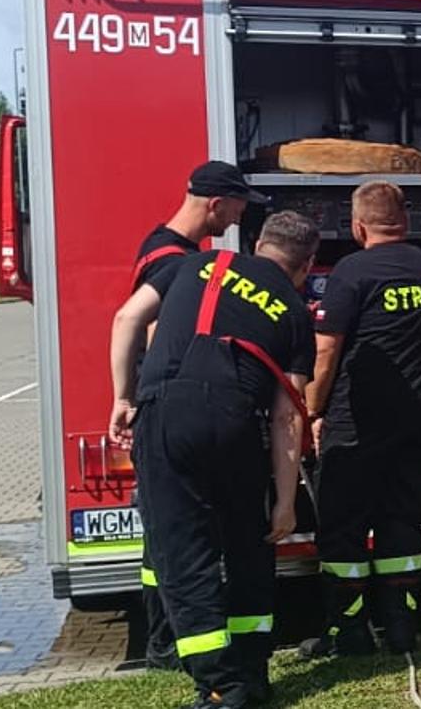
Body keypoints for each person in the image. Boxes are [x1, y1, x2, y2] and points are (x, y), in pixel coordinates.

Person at [108, 212, 318, 709]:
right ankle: (252, 672)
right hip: (238, 424)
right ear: (306, 267)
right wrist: (285, 503)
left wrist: (122, 396)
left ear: (257, 244)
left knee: (184, 556)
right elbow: (289, 416)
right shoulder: (294, 312)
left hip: (167, 416)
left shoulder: (195, 264)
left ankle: (222, 687)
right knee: (248, 547)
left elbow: (127, 318)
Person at [125, 161, 270, 671]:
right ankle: (168, 645)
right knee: (182, 540)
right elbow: (150, 333)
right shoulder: (176, 261)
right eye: (237, 207)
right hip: (173, 414)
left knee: (163, 536)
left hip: (159, 415)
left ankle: (161, 639)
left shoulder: (160, 246)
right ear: (215, 204)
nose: (239, 217)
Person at [298, 181, 421, 659]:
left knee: (343, 528)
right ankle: (401, 630)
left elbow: (326, 348)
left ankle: (350, 634)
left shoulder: (351, 272)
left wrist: (311, 410)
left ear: (358, 226)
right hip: (415, 423)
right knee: (400, 523)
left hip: (355, 424)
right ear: (405, 221)